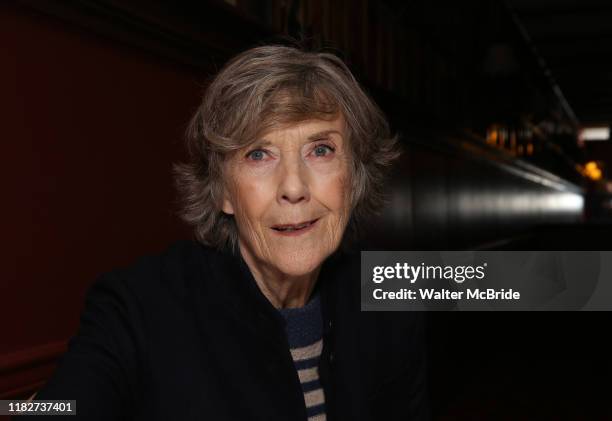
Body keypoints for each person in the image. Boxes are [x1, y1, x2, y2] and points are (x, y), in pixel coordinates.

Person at [28, 45, 428, 420]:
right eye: (258, 154)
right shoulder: (139, 306)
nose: (294, 187)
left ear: (352, 179)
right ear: (223, 191)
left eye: (320, 150)